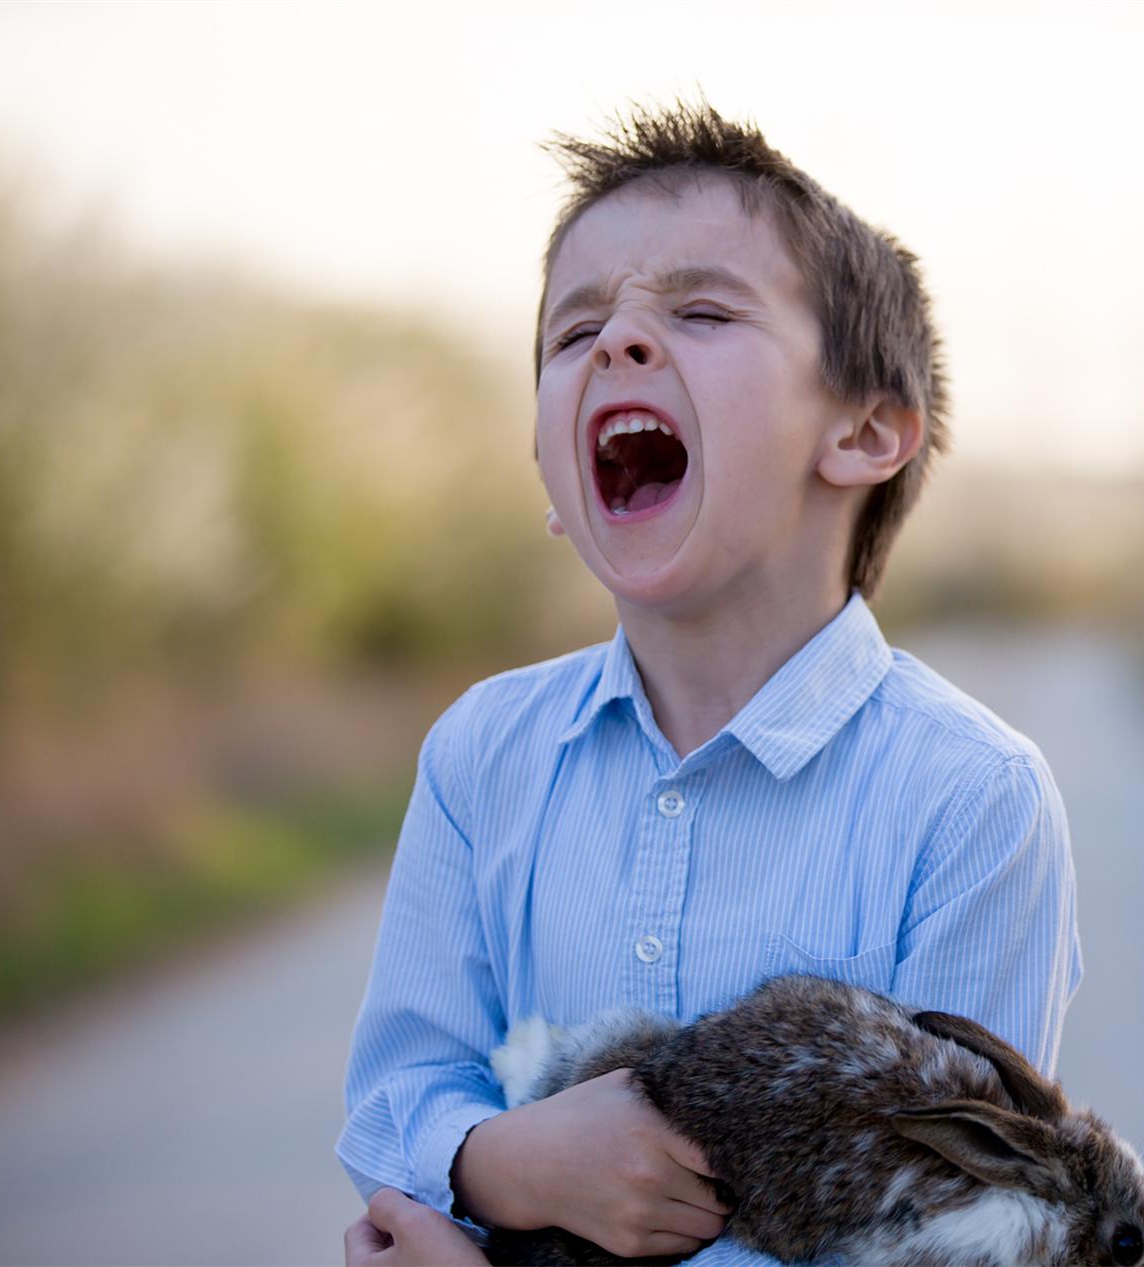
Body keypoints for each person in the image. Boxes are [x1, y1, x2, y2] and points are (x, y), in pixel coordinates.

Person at [337, 101, 1081, 1267]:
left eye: (700, 310)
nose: (619, 343)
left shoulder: (973, 800)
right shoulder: (483, 752)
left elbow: (947, 1233)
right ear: (551, 471)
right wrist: (504, 1160)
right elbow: (398, 1095)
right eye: (575, 333)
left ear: (866, 432)